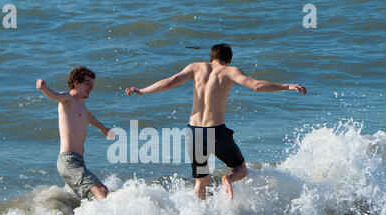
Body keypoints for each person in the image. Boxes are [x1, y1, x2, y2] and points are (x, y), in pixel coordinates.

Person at [125, 43, 306, 200]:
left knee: (200, 182)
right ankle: (229, 179)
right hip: (216, 131)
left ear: (211, 57)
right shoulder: (230, 71)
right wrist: (287, 86)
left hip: (193, 132)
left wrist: (142, 90)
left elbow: (170, 81)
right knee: (240, 168)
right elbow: (256, 85)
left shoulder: (195, 67)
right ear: (229, 59)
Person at [36, 66, 114, 200]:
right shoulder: (68, 98)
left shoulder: (82, 106)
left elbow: (90, 118)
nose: (91, 87)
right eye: (87, 83)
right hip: (68, 160)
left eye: (92, 84)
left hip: (79, 162)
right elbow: (55, 96)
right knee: (101, 190)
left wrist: (103, 129)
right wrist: (43, 89)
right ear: (76, 83)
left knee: (94, 195)